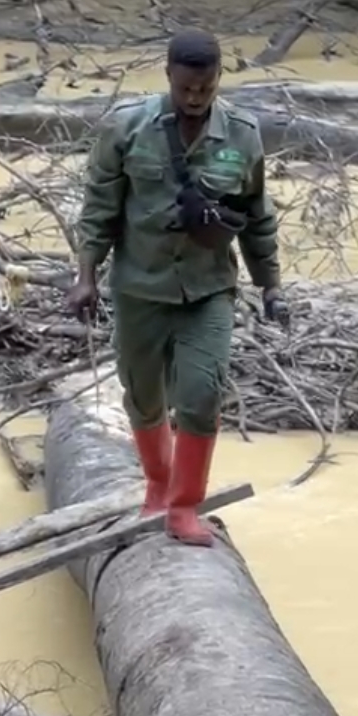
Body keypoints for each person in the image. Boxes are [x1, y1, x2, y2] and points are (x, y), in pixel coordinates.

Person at [64, 29, 289, 547]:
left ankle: (185, 507)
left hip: (208, 289)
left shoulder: (242, 135)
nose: (195, 98)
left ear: (217, 82)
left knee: (201, 393)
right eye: (187, 88)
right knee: (143, 398)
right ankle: (158, 486)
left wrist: (271, 286)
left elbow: (257, 217)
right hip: (139, 288)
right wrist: (85, 277)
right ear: (168, 75)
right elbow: (99, 211)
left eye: (206, 89)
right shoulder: (125, 129)